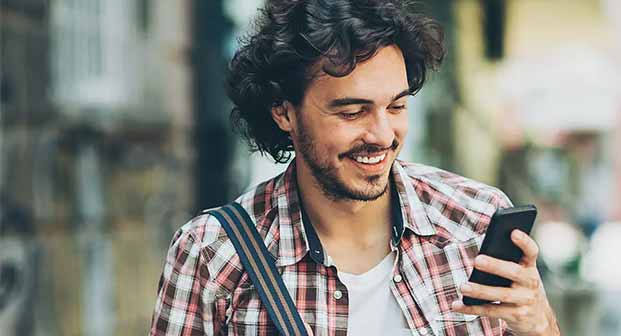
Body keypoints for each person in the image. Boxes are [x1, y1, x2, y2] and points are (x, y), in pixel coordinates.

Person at [149, 1, 560, 335]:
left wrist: (539, 325)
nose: (382, 134)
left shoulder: (475, 219)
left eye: (397, 106)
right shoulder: (211, 252)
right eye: (352, 112)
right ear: (283, 112)